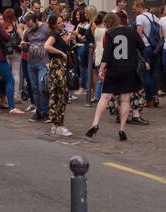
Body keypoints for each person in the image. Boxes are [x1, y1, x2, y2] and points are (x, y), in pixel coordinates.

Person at [86, 12, 142, 141]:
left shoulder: (110, 34)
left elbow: (106, 55)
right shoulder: (132, 31)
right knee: (125, 99)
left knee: (105, 97)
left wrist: (101, 69)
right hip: (129, 69)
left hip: (114, 69)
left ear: (108, 23)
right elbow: (141, 47)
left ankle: (95, 123)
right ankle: (122, 129)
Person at [43, 14, 74, 137]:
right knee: (61, 95)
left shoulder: (58, 35)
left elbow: (62, 43)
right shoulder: (53, 35)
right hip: (58, 67)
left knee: (56, 94)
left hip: (58, 66)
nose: (62, 24)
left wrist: (70, 35)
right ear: (54, 24)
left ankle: (55, 124)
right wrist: (61, 53)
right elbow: (47, 46)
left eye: (62, 22)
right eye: (59, 22)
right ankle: (59, 125)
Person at [22, 11, 52, 122]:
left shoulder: (45, 28)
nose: (30, 27)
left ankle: (46, 112)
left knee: (42, 87)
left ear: (36, 21)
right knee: (34, 88)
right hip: (31, 62)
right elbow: (25, 48)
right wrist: (24, 46)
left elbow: (53, 41)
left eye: (31, 25)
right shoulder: (27, 32)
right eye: (28, 26)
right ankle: (39, 111)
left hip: (43, 62)